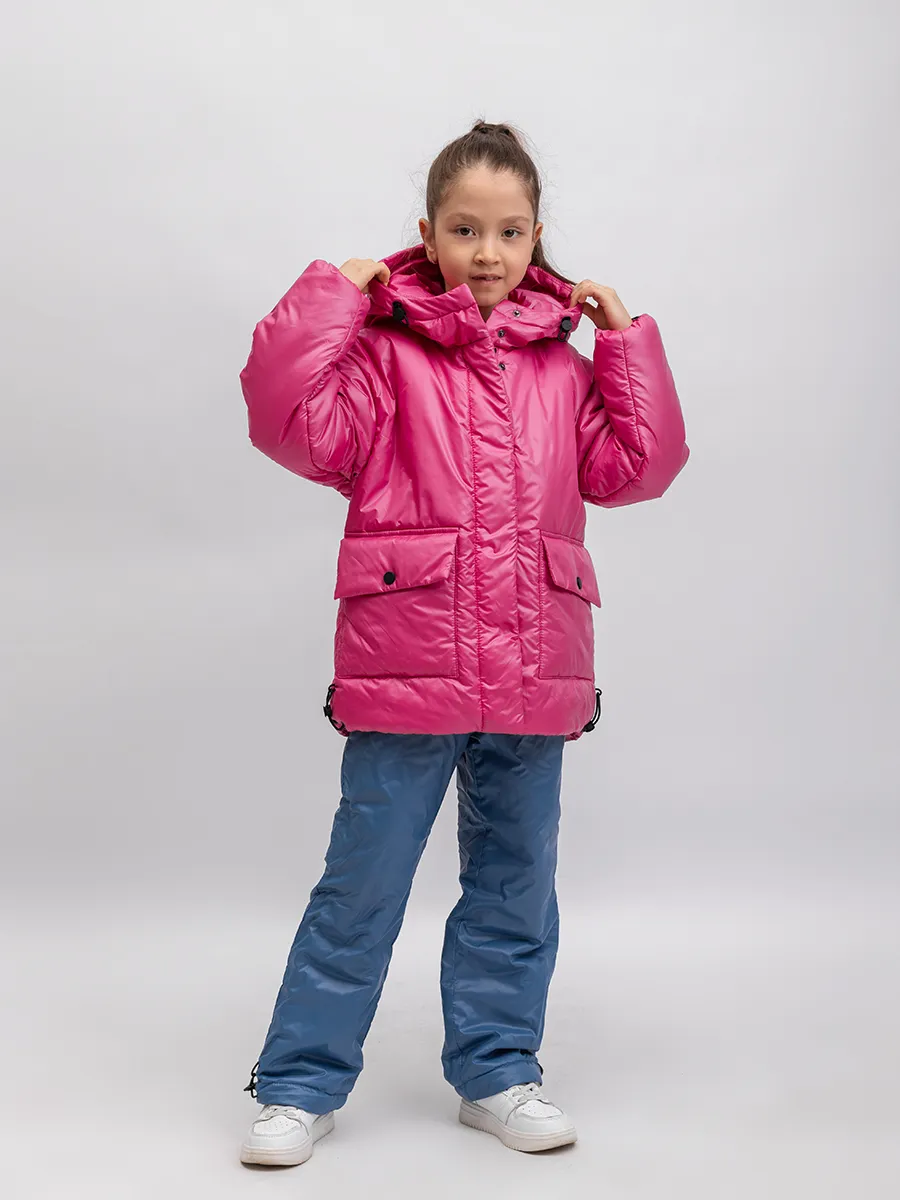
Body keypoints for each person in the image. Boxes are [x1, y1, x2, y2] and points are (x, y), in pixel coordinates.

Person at [236, 118, 689, 1164]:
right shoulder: (380, 357)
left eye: (510, 231)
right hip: (409, 664)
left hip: (533, 667)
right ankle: (298, 1084)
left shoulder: (565, 370)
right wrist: (330, 298)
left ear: (538, 238)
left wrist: (625, 343)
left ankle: (497, 1072)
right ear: (428, 234)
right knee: (361, 887)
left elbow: (641, 468)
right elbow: (284, 421)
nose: (488, 253)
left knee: (515, 886)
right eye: (465, 229)